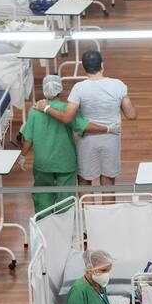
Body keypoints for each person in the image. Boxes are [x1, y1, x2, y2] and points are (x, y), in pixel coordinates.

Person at [36, 50, 137, 188]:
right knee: (108, 183)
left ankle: (86, 204)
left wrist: (46, 108)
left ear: (84, 68)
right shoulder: (118, 85)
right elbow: (131, 115)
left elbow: (67, 118)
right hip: (111, 139)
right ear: (102, 65)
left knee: (84, 182)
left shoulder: (79, 88)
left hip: (87, 142)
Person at [21, 75, 117, 214]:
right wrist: (108, 128)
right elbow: (85, 126)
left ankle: (44, 226)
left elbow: (28, 139)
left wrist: (23, 155)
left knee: (43, 198)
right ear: (60, 90)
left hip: (43, 164)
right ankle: (64, 225)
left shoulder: (35, 111)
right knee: (65, 200)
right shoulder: (67, 110)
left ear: (44, 90)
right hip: (65, 162)